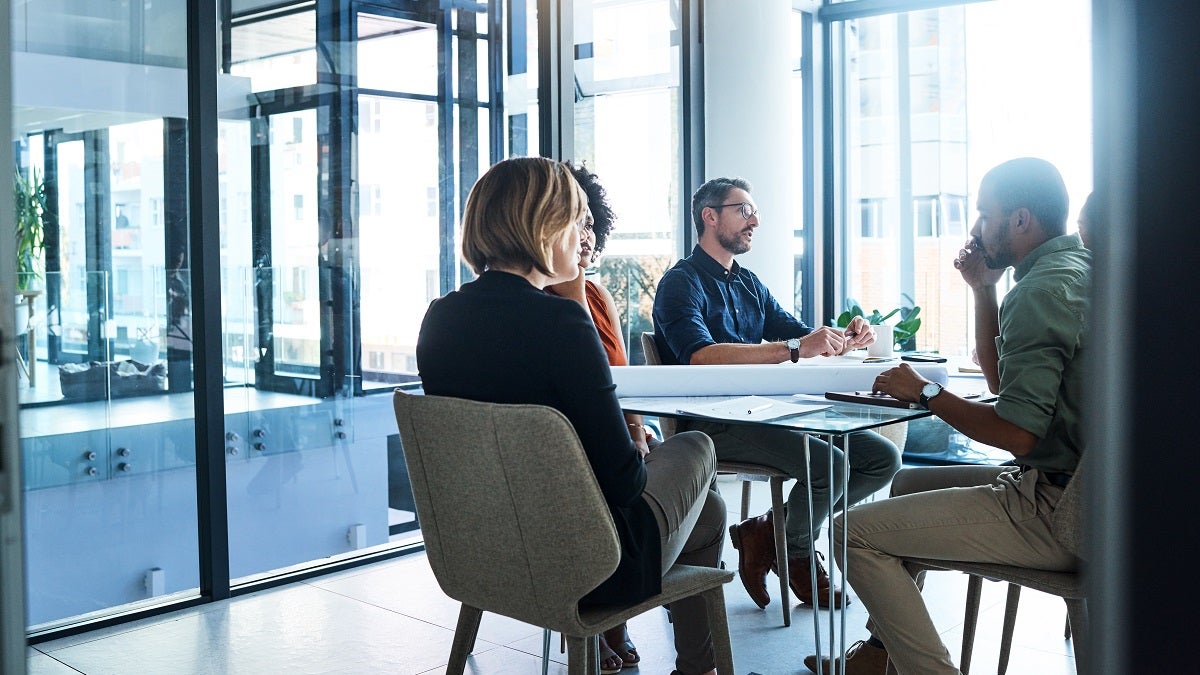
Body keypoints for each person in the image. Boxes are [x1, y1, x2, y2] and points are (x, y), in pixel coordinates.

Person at [417, 157, 728, 675]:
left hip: (485, 555)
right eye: (576, 219)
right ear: (544, 225)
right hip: (590, 561)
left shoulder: (438, 319)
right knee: (697, 446)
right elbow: (625, 481)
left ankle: (700, 668)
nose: (584, 236)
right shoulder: (563, 322)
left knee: (710, 515)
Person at [804, 157, 1089, 675]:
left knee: (850, 532)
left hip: (1061, 511)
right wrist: (984, 288)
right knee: (907, 481)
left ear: (1020, 220)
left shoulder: (1041, 293)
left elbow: (1017, 435)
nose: (977, 228)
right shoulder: (1076, 272)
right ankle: (875, 656)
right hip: (1091, 499)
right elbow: (1007, 388)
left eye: (985, 214)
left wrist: (926, 393)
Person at [652, 176, 902, 610]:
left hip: (765, 413)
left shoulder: (749, 284)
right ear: (709, 217)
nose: (755, 220)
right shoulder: (680, 283)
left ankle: (768, 533)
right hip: (716, 423)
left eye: (754, 211)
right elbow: (699, 356)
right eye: (743, 210)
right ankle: (798, 555)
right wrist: (793, 348)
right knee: (831, 465)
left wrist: (844, 336)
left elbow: (799, 336)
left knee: (882, 459)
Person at [545, 162, 658, 671]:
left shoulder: (598, 295)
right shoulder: (548, 303)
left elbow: (623, 382)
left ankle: (618, 619)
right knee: (700, 472)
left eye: (592, 224)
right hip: (576, 459)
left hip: (617, 439)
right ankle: (610, 614)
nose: (586, 235)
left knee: (689, 475)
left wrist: (637, 432)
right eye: (577, 222)